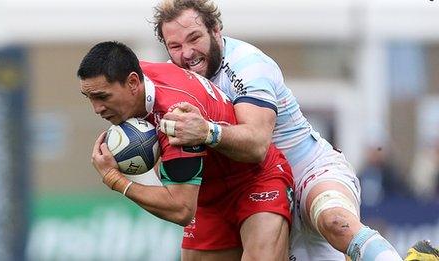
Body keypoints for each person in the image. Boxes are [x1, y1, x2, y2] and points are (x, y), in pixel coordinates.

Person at [152, 0, 403, 260]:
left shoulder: (247, 65)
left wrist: (206, 132)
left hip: (309, 169)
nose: (188, 53)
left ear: (216, 29)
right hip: (256, 191)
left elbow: (257, 144)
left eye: (194, 38)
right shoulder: (173, 83)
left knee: (335, 220)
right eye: (175, 46)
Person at [77, 41, 294, 260]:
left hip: (255, 179)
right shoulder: (134, 74)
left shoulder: (176, 118)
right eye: (90, 98)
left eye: (102, 97)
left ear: (133, 82)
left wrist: (115, 179)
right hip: (207, 195)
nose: (97, 109)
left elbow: (181, 209)